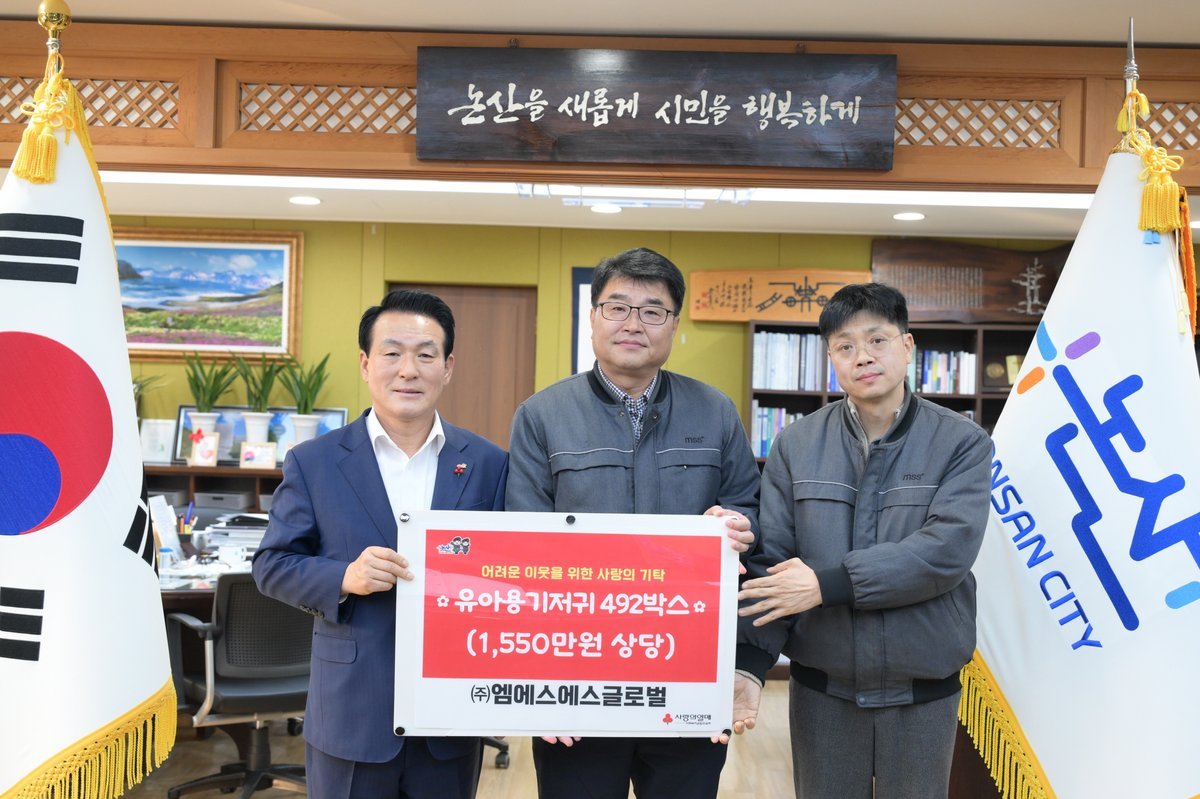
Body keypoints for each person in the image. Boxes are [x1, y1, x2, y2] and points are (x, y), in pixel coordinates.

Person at [506, 247, 761, 799]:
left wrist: (739, 527)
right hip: (576, 676)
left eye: (652, 311)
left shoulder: (716, 411)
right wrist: (536, 677)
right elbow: (522, 551)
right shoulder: (541, 415)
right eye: (617, 307)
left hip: (688, 669)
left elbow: (751, 514)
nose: (633, 324)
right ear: (593, 317)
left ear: (674, 324)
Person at [732, 282, 992, 798]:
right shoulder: (796, 444)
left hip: (922, 688)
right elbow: (773, 561)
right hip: (824, 687)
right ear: (831, 358)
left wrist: (827, 585)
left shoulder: (962, 442)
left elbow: (947, 550)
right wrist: (752, 665)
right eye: (845, 346)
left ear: (907, 346)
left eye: (877, 340)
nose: (863, 357)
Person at [253, 289, 508, 799]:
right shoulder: (314, 461)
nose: (408, 370)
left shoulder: (489, 462)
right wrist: (343, 577)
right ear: (366, 364)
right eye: (392, 353)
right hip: (352, 711)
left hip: (450, 712)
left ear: (448, 367)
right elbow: (272, 564)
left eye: (426, 355)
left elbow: (511, 570)